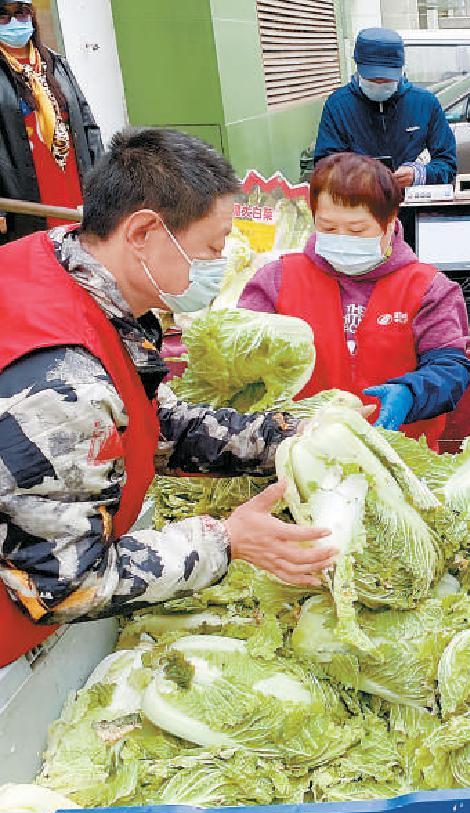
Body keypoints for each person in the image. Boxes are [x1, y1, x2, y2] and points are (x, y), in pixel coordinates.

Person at [0, 128, 339, 641]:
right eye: (212, 245)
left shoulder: (58, 260)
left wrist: (291, 438)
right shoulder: (61, 383)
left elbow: (152, 424)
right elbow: (64, 584)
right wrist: (226, 540)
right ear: (141, 233)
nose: (220, 260)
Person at [240, 153, 470, 444]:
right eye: (328, 228)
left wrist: (411, 393)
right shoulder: (277, 279)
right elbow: (242, 360)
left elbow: (451, 368)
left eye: (357, 230)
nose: (341, 238)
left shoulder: (428, 288)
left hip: (398, 458)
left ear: (389, 224)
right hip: (300, 455)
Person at [0, 0, 100, 243]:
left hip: (71, 181)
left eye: (21, 13)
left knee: (78, 253)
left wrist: (102, 184)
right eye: (4, 16)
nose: (14, 22)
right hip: (23, 190)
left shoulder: (56, 64)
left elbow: (88, 126)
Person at [314, 28, 456, 190]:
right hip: (358, 208)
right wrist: (359, 176)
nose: (380, 84)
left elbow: (447, 163)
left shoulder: (425, 103)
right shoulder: (338, 106)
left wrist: (419, 174)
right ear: (359, 68)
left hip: (411, 207)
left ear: (400, 69)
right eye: (373, 79)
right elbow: (324, 167)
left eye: (387, 79)